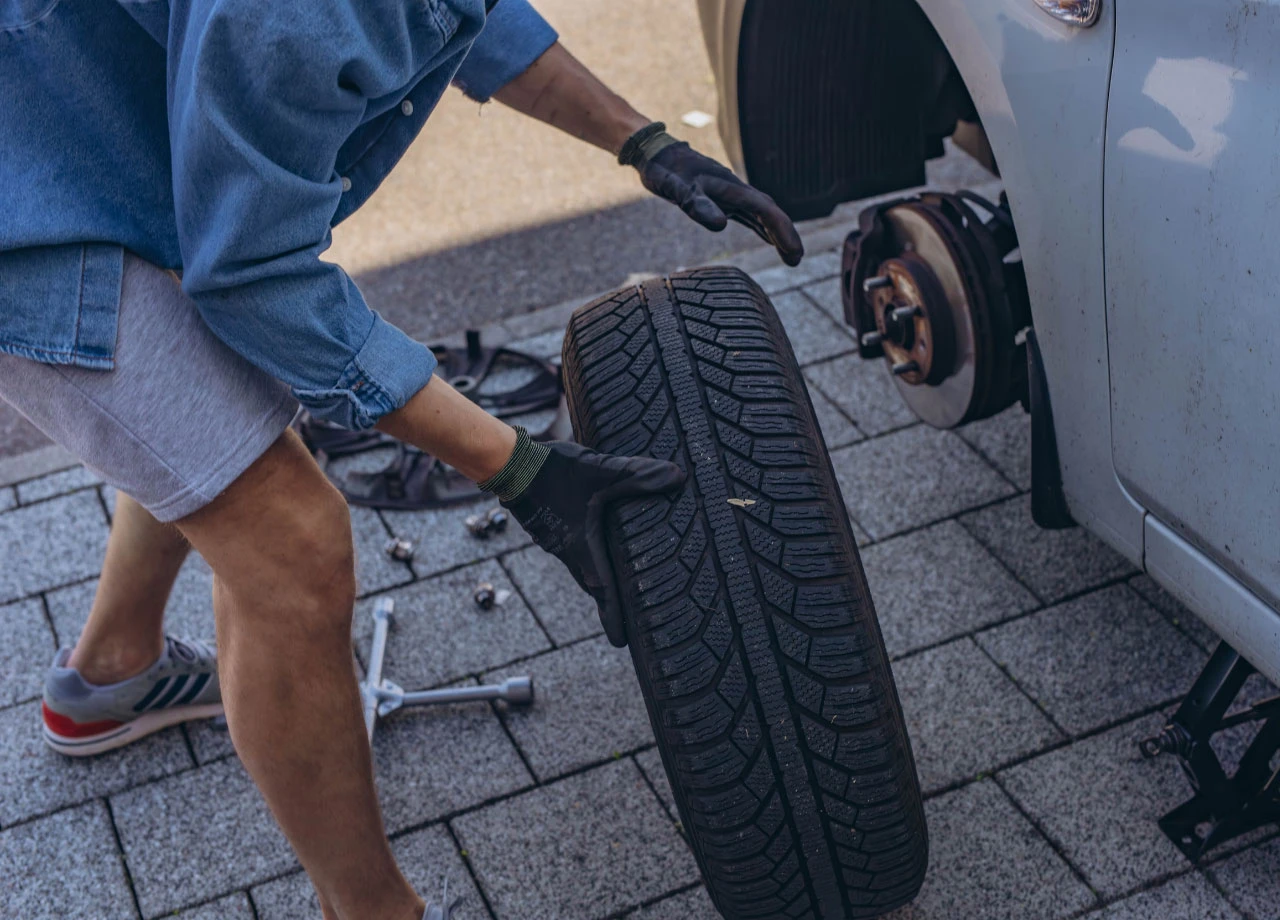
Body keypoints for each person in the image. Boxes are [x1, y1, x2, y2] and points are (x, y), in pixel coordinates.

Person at [0, 2, 803, 918]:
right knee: (292, 545)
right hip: (27, 197)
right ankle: (375, 911)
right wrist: (522, 469)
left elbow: (470, 16)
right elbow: (254, 277)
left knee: (226, 423)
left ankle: (111, 673)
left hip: (82, 108)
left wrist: (647, 144)